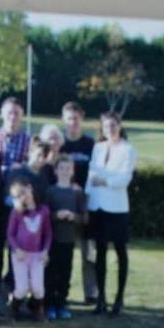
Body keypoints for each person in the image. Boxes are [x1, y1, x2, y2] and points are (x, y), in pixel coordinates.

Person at [86, 111, 134, 318]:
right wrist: (88, 199)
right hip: (97, 207)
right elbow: (91, 176)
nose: (110, 129)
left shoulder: (128, 149)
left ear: (120, 126)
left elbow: (124, 179)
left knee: (121, 253)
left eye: (113, 125)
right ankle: (101, 299)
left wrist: (105, 181)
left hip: (117, 209)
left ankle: (119, 299)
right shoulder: (98, 148)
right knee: (100, 254)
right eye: (106, 126)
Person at [0, 97, 32, 302]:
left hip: (18, 206)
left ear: (21, 116)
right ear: (2, 114)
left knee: (16, 248)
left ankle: (13, 288)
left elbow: (32, 171)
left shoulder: (29, 141)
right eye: (9, 112)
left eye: (16, 113)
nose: (12, 117)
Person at [56, 101, 98, 306]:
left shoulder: (90, 145)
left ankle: (91, 292)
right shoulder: (60, 144)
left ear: (82, 119)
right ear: (63, 120)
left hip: (85, 202)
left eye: (76, 118)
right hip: (63, 201)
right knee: (61, 250)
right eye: (69, 118)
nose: (72, 122)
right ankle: (58, 290)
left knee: (88, 251)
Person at [43, 155, 85, 322]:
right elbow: (44, 215)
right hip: (51, 240)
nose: (65, 171)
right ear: (55, 171)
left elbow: (84, 217)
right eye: (61, 168)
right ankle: (50, 304)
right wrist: (56, 215)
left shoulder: (77, 192)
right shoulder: (51, 191)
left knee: (65, 273)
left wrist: (73, 216)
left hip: (68, 240)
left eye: (68, 168)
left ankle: (62, 303)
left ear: (73, 171)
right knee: (50, 273)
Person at [4, 178, 52, 322]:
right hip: (20, 256)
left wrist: (45, 250)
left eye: (24, 192)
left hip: (37, 255)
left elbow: (48, 233)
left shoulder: (43, 211)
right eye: (19, 196)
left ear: (30, 188)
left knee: (38, 288)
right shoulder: (17, 212)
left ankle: (37, 310)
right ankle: (13, 309)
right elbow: (10, 234)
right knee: (22, 288)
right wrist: (16, 249)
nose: (23, 197)